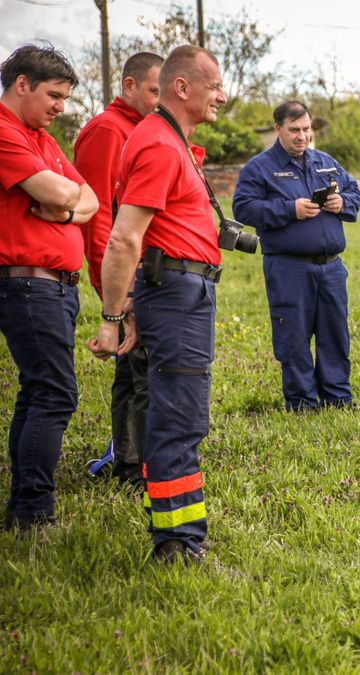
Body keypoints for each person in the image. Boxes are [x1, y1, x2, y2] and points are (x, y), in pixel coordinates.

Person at [87, 45, 228, 563]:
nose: (222, 95)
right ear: (182, 88)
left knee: (180, 416)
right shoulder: (160, 146)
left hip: (178, 293)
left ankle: (182, 532)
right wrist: (111, 315)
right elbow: (125, 239)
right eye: (213, 86)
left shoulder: (167, 140)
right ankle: (176, 542)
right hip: (178, 296)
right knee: (178, 418)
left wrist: (129, 307)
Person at [0, 45, 98, 532]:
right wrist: (65, 201)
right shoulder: (5, 131)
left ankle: (23, 507)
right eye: (54, 95)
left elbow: (91, 201)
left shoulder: (40, 137)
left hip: (55, 287)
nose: (61, 106)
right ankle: (34, 511)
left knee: (37, 392)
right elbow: (66, 192)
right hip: (28, 285)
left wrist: (61, 209)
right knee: (55, 395)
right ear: (22, 84)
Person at [233, 100, 360, 410]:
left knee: (335, 334)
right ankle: (302, 401)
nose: (302, 136)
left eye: (306, 130)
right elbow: (244, 207)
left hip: (331, 267)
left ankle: (337, 398)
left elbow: (354, 190)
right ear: (278, 129)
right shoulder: (259, 168)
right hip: (288, 267)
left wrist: (341, 203)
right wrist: (290, 209)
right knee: (293, 335)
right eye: (294, 130)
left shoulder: (326, 162)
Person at [73, 51, 163, 483]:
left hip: (146, 270)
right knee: (142, 371)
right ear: (128, 87)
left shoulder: (146, 128)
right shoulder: (108, 130)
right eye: (153, 90)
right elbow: (98, 218)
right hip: (129, 276)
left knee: (135, 367)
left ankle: (128, 460)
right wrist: (117, 293)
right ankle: (139, 464)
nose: (160, 99)